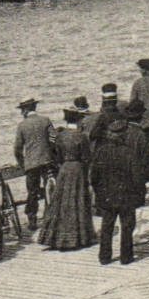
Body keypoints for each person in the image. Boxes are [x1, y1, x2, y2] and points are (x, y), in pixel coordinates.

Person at [90, 105, 145, 266]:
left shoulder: (101, 151)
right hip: (126, 195)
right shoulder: (129, 153)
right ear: (122, 135)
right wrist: (138, 194)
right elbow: (137, 177)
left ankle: (104, 256)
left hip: (107, 195)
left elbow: (94, 176)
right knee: (127, 226)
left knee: (107, 225)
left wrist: (99, 191)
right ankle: (126, 257)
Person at [38, 106, 95, 250]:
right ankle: (81, 237)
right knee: (79, 201)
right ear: (78, 119)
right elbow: (87, 157)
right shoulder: (81, 136)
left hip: (64, 170)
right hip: (77, 169)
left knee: (62, 202)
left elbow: (55, 155)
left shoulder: (60, 136)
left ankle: (57, 237)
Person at [12, 99, 54, 230]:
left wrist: (22, 164)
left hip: (31, 164)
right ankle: (50, 216)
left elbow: (17, 149)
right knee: (50, 189)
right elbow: (54, 139)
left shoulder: (22, 125)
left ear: (25, 110)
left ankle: (32, 219)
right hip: (47, 161)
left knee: (32, 192)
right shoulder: (45, 120)